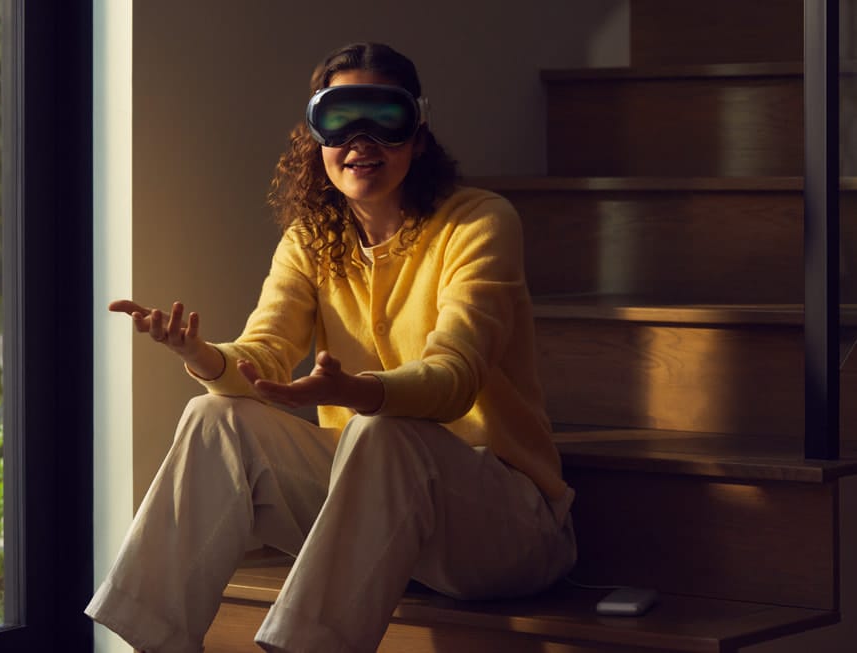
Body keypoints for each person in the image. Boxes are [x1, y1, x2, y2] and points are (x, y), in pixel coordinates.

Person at [85, 41, 577, 653]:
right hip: (375, 520)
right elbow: (264, 353)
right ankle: (153, 644)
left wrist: (361, 392)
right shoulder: (311, 242)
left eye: (385, 119)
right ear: (316, 139)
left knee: (380, 430)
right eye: (340, 120)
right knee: (212, 415)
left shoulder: (478, 222)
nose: (361, 140)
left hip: (505, 529)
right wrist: (203, 357)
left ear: (418, 136)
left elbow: (458, 374)